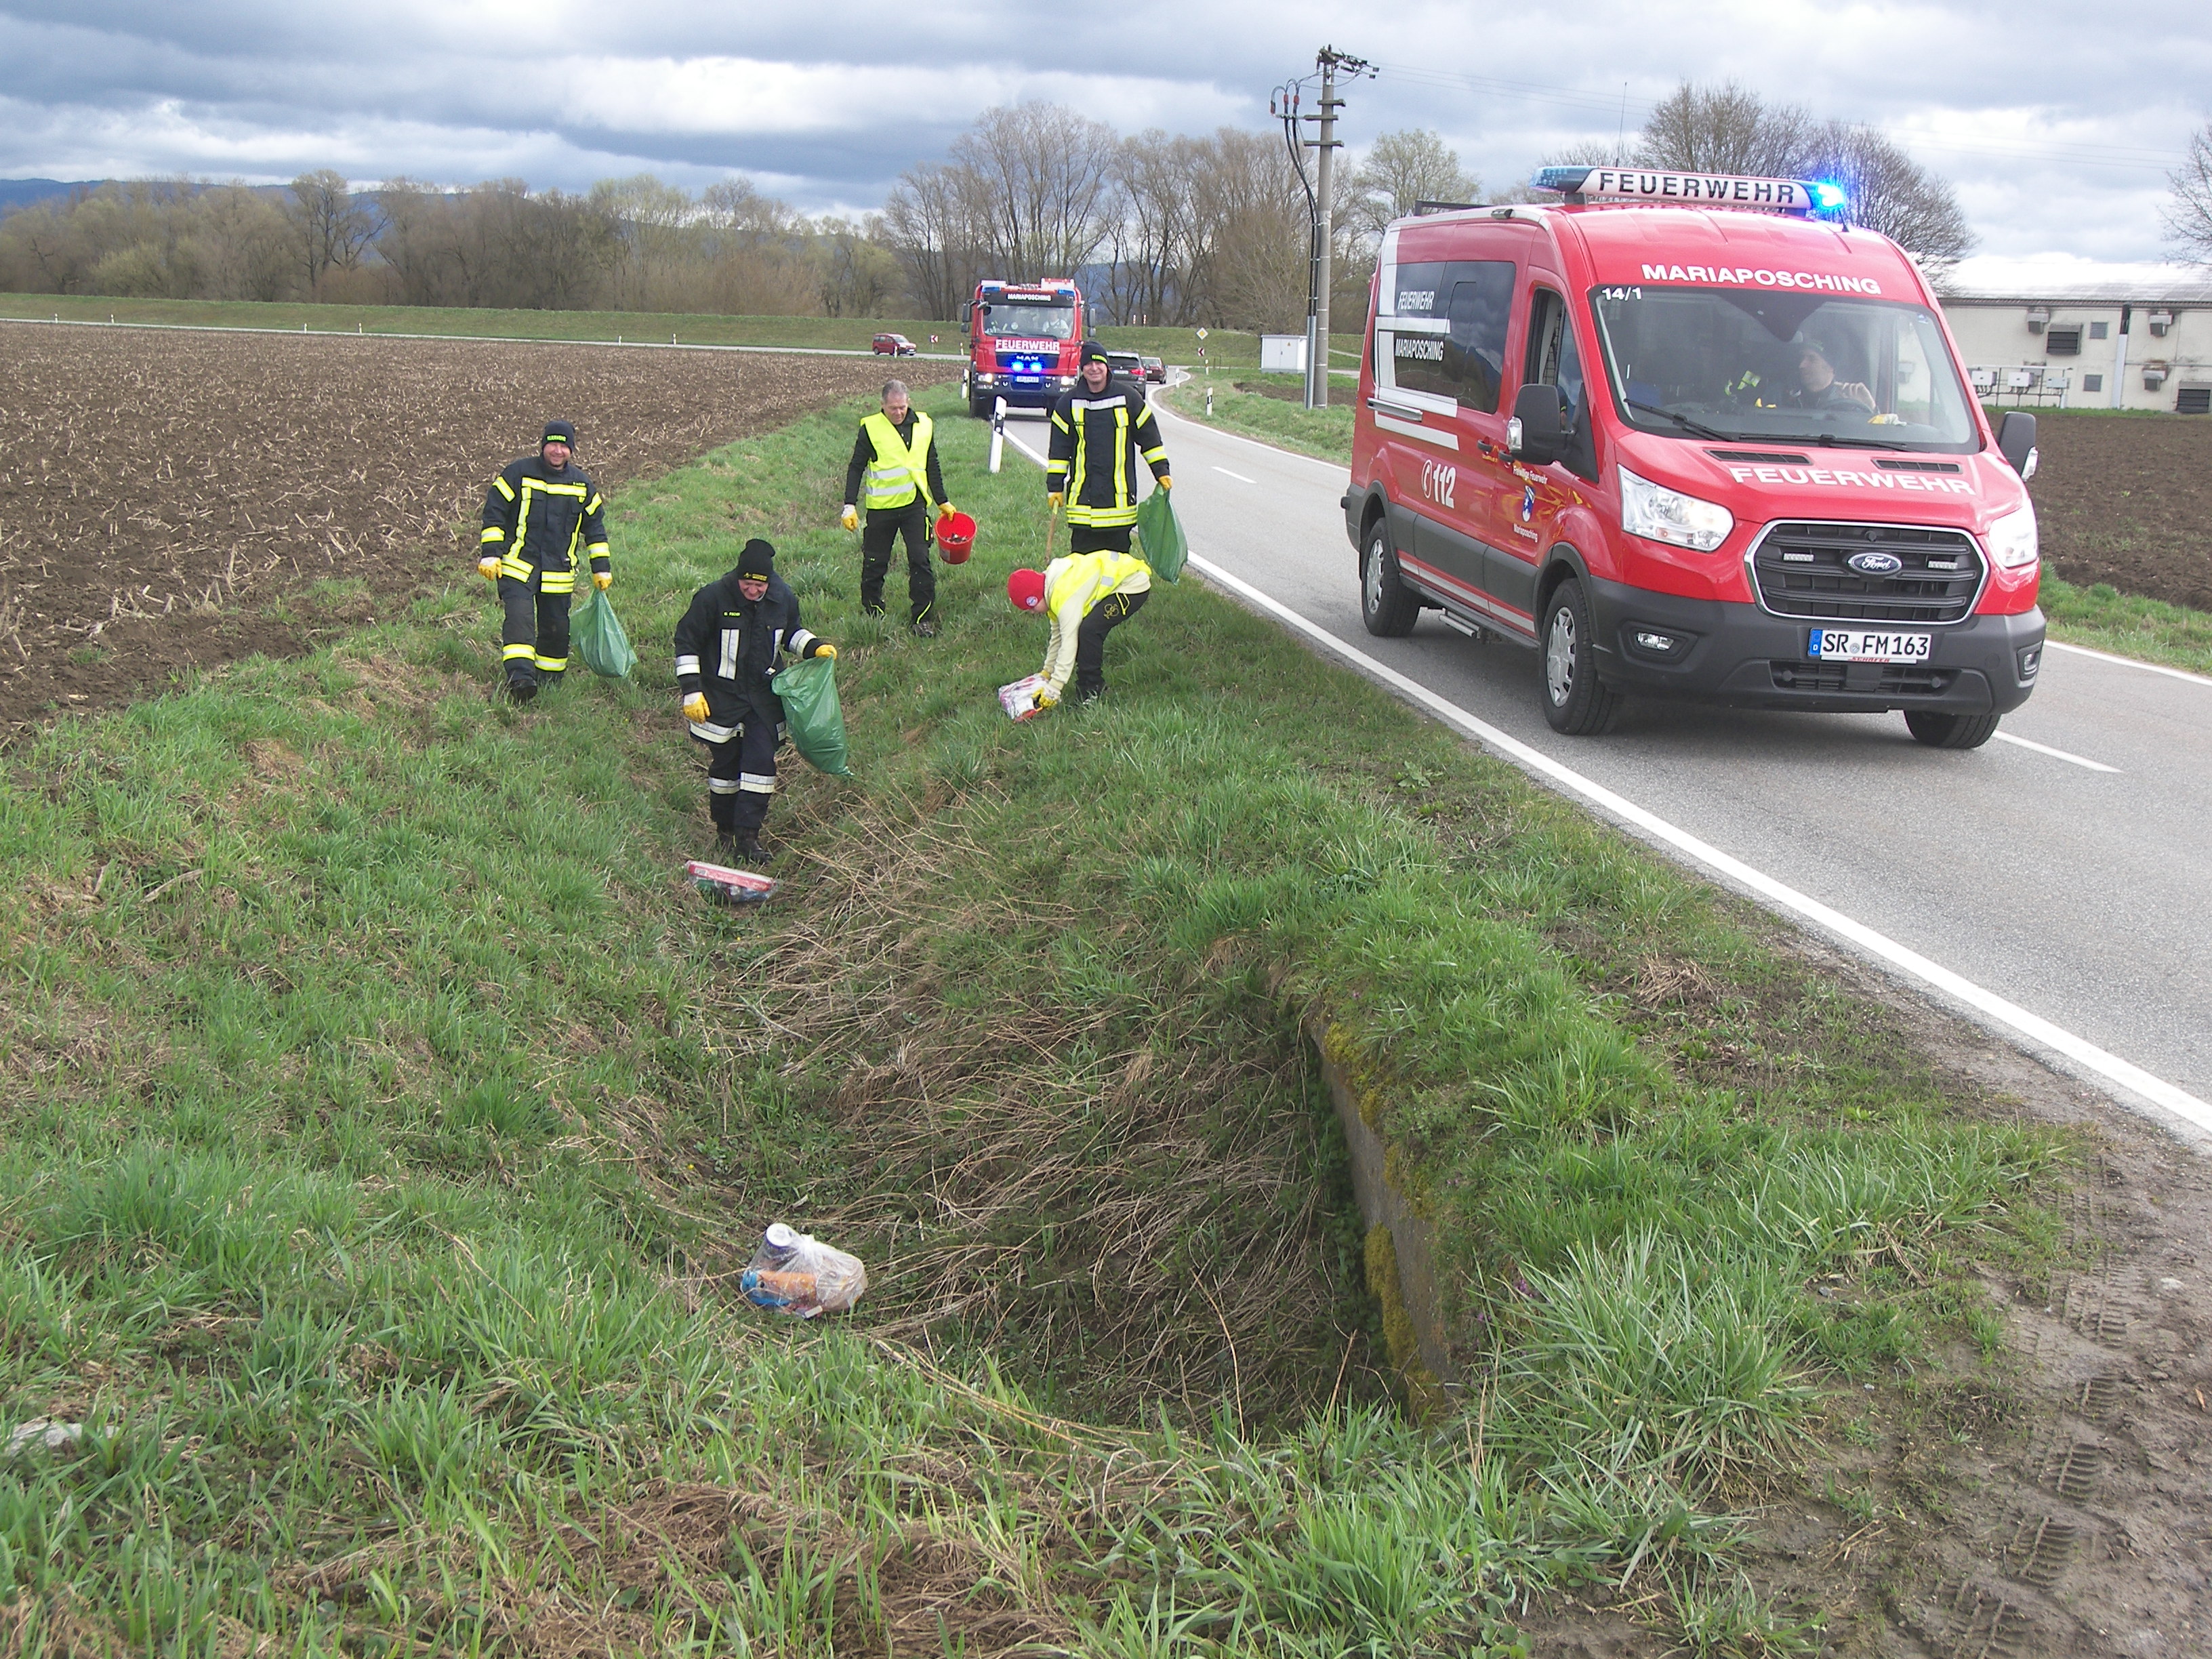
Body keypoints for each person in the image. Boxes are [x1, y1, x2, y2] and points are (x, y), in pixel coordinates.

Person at [673, 539, 836, 863]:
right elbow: (686, 641)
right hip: (721, 698)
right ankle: (725, 828)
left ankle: (748, 836)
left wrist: (814, 647)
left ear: (769, 581)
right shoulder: (712, 598)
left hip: (763, 698)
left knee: (761, 765)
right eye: (747, 583)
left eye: (759, 584)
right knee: (725, 767)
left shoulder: (783, 598)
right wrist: (692, 691)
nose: (752, 590)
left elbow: (790, 633)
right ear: (737, 577)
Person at [476, 418, 611, 702]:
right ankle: (521, 679)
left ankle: (549, 682)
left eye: (564, 446)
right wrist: (490, 553)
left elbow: (595, 528)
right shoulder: (518, 473)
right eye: (552, 444)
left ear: (571, 450)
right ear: (543, 446)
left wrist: (602, 568)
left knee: (556, 630)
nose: (557, 451)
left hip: (558, 572)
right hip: (517, 566)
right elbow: (494, 512)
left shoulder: (582, 484)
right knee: (520, 620)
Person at [840, 380, 956, 636]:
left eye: (902, 407)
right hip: (882, 509)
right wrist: (849, 505)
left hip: (915, 505)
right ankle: (873, 614)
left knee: (920, 559)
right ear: (882, 406)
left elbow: (931, 464)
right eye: (892, 408)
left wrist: (942, 500)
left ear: (909, 403)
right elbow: (856, 467)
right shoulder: (870, 429)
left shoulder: (925, 424)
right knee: (874, 562)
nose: (898, 413)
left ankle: (922, 618)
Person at [1046, 341, 1170, 554]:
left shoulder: (1129, 399)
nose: (1094, 368)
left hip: (1119, 505)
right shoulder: (1067, 404)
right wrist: (1055, 487)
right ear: (1081, 369)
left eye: (1099, 363)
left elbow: (1150, 440)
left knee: (1117, 567)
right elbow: (1058, 453)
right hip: (1083, 506)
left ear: (1107, 367)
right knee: (1083, 568)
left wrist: (1162, 472)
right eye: (1088, 364)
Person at [1006, 550, 1150, 709]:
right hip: (1123, 579)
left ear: (1035, 596)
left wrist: (1055, 687)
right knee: (1086, 630)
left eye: (1031, 608)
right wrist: (1047, 672)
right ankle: (1088, 686)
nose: (1033, 613)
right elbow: (1057, 636)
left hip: (1133, 585)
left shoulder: (1064, 597)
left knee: (1089, 632)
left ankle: (1092, 689)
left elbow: (1069, 643)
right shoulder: (1050, 588)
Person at [1788, 336, 1877, 413]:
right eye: (1802, 358)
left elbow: (1872, 430)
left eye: (1812, 359)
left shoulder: (1849, 401)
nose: (1801, 365)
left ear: (1831, 367)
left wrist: (1871, 408)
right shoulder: (1783, 395)